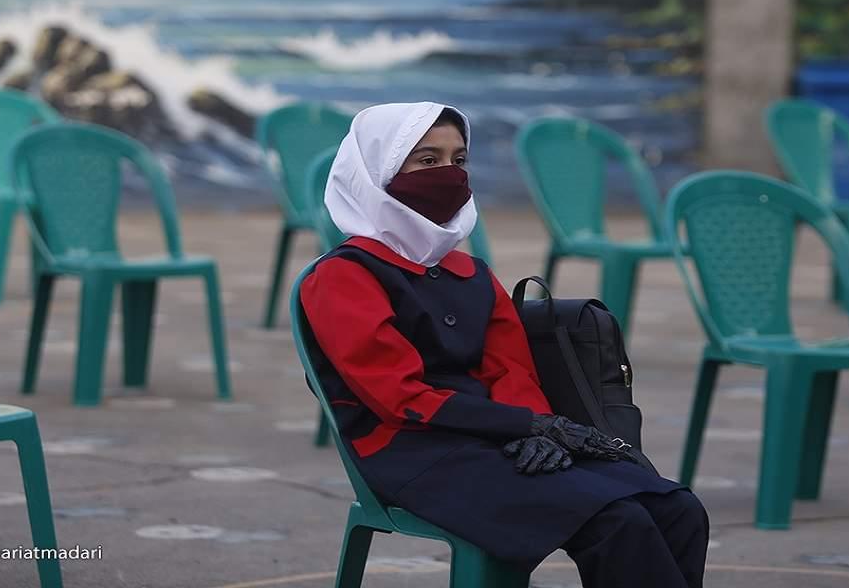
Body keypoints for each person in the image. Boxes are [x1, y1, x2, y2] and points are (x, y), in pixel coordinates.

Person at [300, 102, 707, 588]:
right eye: (427, 161)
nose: (448, 174)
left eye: (459, 160)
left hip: (500, 439)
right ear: (378, 173)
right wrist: (526, 423)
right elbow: (399, 397)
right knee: (619, 523)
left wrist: (536, 432)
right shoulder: (344, 276)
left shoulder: (469, 272)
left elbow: (510, 369)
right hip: (414, 454)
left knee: (678, 508)